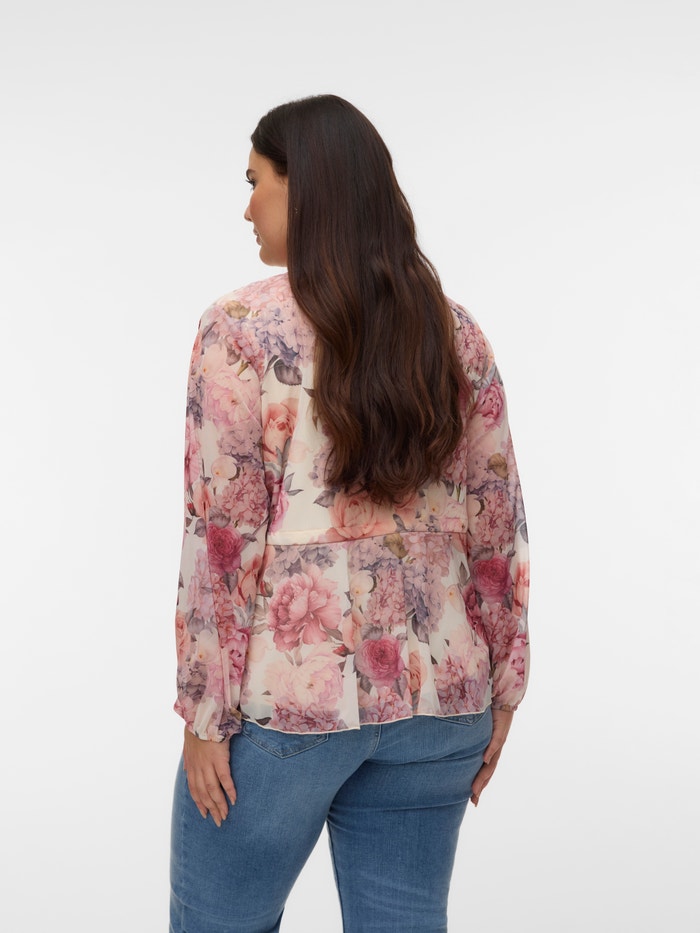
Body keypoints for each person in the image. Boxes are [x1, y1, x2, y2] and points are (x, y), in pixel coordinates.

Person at [170, 94, 529, 933]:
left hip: (289, 707)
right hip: (443, 702)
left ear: (305, 188)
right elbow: (499, 523)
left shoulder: (239, 331)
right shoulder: (455, 333)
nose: (246, 207)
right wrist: (504, 688)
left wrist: (205, 714)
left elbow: (222, 539)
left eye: (255, 182)